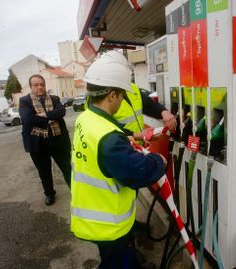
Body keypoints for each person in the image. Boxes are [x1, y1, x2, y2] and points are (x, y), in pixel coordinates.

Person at [70, 51, 166, 269]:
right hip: (107, 224)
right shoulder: (110, 139)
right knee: (116, 262)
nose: (123, 100)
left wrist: (131, 137)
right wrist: (158, 160)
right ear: (112, 95)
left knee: (121, 257)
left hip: (92, 212)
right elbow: (139, 172)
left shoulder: (86, 118)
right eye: (121, 95)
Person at [19, 74, 71, 206]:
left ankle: (76, 190)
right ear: (31, 87)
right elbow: (27, 119)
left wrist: (46, 115)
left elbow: (61, 112)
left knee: (67, 167)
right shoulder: (24, 101)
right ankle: (49, 194)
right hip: (38, 144)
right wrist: (51, 118)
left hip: (58, 140)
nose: (40, 87)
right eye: (36, 85)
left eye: (42, 84)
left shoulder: (54, 98)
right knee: (44, 171)